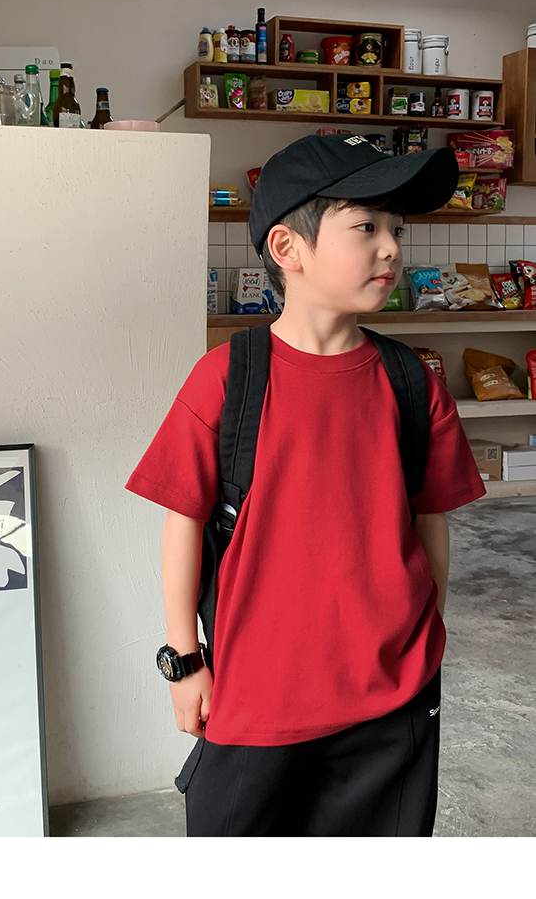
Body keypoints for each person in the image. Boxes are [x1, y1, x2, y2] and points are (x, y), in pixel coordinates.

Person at [124, 134, 488, 837]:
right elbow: (183, 522)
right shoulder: (228, 378)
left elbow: (430, 523)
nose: (391, 248)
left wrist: (424, 636)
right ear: (288, 247)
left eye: (397, 229)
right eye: (366, 226)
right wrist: (184, 661)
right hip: (256, 698)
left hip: (393, 703)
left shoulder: (412, 383)